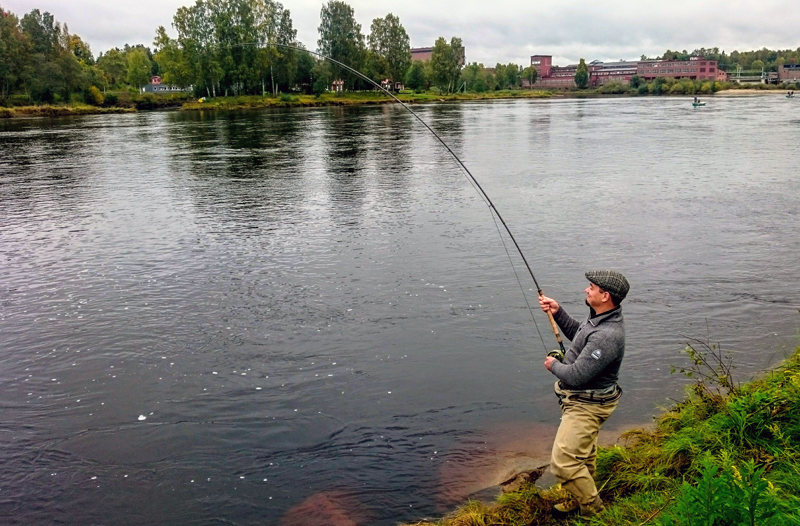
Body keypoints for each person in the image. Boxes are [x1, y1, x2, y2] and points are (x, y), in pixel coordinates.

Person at [539, 270, 629, 518]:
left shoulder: (607, 336)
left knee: (564, 463)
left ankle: (594, 512)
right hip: (585, 400)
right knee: (584, 457)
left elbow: (577, 376)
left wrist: (553, 365)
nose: (586, 290)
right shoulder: (601, 319)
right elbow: (581, 336)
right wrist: (557, 312)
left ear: (605, 295)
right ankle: (580, 499)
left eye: (591, 287)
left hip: (588, 405)